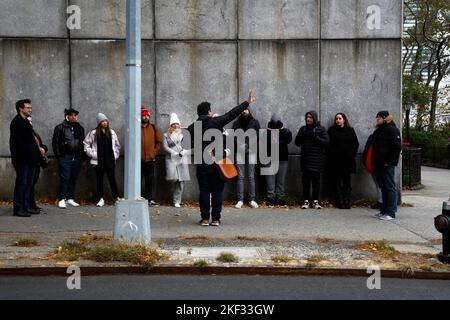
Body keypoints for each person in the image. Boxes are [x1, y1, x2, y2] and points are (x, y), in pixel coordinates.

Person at [187, 91, 255, 227]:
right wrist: (247, 103)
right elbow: (232, 114)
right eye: (211, 110)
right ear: (209, 111)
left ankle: (205, 219)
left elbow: (186, 143)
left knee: (204, 191)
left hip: (202, 163)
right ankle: (216, 219)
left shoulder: (192, 127)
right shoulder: (216, 122)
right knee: (217, 191)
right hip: (218, 163)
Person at [9, 99, 42, 217]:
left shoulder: (26, 122)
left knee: (28, 183)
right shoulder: (17, 122)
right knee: (21, 184)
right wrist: (20, 159)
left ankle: (26, 206)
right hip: (22, 160)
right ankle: (18, 209)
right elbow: (17, 144)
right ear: (21, 108)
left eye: (30, 107)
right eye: (28, 107)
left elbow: (31, 142)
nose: (30, 109)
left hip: (31, 160)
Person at [83, 113, 121, 207]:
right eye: (102, 121)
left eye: (106, 121)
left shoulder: (112, 132)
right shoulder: (93, 133)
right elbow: (86, 144)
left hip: (110, 161)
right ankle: (100, 199)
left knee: (112, 179)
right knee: (99, 181)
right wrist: (93, 154)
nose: (104, 123)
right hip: (98, 161)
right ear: (99, 123)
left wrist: (115, 155)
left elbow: (117, 145)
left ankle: (116, 197)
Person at [295, 111, 329, 209]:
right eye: (307, 117)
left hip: (317, 160)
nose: (308, 119)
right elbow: (297, 142)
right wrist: (302, 134)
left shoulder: (321, 129)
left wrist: (316, 137)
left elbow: (326, 142)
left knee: (316, 182)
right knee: (305, 182)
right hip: (306, 160)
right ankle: (305, 201)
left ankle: (315, 201)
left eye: (310, 117)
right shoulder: (303, 129)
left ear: (314, 118)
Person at [52, 108, 85, 209]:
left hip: (76, 158)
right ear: (67, 116)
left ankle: (70, 198)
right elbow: (55, 142)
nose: (74, 117)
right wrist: (59, 156)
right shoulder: (60, 127)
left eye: (75, 115)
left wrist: (82, 158)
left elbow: (82, 142)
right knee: (65, 178)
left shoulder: (79, 127)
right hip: (65, 157)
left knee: (73, 178)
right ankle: (62, 199)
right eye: (72, 115)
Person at [371, 111, 402, 221]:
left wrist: (390, 162)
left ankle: (391, 212)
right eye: (377, 117)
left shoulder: (392, 129)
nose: (377, 119)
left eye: (379, 117)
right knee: (383, 187)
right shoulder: (380, 130)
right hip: (379, 163)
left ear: (385, 118)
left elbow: (397, 147)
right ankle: (383, 210)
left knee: (389, 187)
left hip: (387, 164)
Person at [327, 113, 359, 209]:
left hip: (347, 161)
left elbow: (356, 144)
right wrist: (333, 154)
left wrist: (351, 154)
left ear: (344, 120)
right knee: (337, 182)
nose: (338, 120)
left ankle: (347, 201)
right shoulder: (331, 130)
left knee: (347, 182)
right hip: (335, 161)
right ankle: (340, 201)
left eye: (340, 118)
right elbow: (328, 144)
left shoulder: (350, 130)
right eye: (336, 118)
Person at [232, 107, 260, 209]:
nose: (244, 111)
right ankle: (240, 200)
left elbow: (257, 136)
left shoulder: (255, 122)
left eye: (246, 110)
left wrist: (247, 145)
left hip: (252, 151)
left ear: (249, 111)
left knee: (251, 176)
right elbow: (234, 136)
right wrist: (241, 145)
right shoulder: (236, 123)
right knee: (240, 176)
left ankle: (252, 200)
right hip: (239, 151)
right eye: (242, 110)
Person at [162, 113, 190, 208]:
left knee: (181, 180)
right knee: (173, 179)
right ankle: (173, 198)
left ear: (179, 125)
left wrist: (183, 152)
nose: (175, 125)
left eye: (176, 124)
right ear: (170, 125)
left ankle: (177, 200)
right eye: (173, 124)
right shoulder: (166, 135)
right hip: (171, 159)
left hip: (181, 159)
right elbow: (164, 147)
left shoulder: (182, 135)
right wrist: (173, 153)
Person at [265, 114, 292, 208]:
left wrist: (282, 129)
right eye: (274, 122)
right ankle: (270, 198)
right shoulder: (267, 131)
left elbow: (289, 139)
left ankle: (280, 198)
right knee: (270, 180)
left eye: (277, 122)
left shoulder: (285, 130)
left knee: (281, 180)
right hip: (270, 158)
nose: (275, 124)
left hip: (282, 158)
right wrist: (269, 131)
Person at [141, 105, 162, 207]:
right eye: (144, 116)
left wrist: (154, 153)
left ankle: (150, 199)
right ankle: (139, 199)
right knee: (138, 181)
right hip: (139, 160)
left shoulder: (154, 128)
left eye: (147, 116)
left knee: (150, 181)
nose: (146, 117)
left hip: (150, 159)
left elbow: (158, 142)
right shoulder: (136, 128)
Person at [27, 115, 48, 214]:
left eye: (31, 121)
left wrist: (43, 148)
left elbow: (40, 144)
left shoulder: (34, 133)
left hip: (37, 162)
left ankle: (32, 204)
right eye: (28, 121)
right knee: (29, 184)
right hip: (30, 161)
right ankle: (28, 205)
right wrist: (37, 150)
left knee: (32, 184)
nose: (30, 123)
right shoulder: (25, 133)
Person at [362, 134, 383, 209]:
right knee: (378, 184)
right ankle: (380, 201)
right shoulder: (372, 136)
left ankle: (383, 202)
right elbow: (367, 149)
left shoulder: (384, 135)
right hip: (372, 163)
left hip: (379, 163)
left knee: (382, 184)